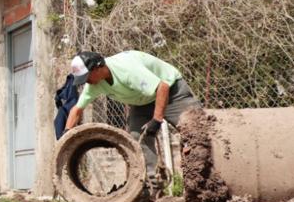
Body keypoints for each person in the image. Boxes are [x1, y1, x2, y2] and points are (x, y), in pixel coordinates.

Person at [63, 49, 201, 177]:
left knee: (196, 130)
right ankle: (150, 187)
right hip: (141, 102)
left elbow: (162, 87)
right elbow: (77, 109)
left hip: (171, 92)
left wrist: (157, 120)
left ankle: (201, 180)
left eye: (87, 77)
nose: (86, 82)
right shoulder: (94, 84)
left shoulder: (126, 69)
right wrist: (67, 133)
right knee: (137, 139)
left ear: (98, 67)